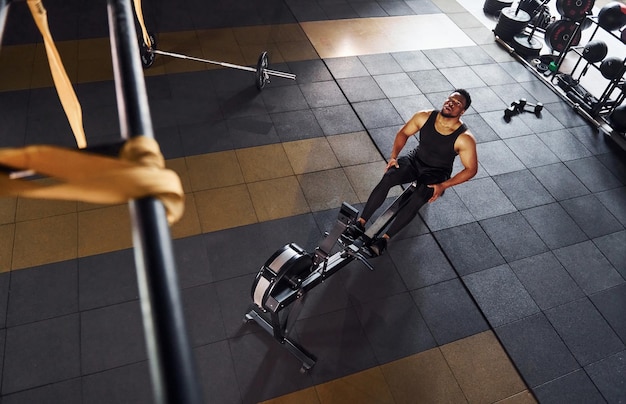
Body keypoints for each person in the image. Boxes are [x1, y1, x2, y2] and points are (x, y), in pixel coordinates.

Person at [349, 89, 478, 256]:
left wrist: (443, 185)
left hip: (436, 173)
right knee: (389, 177)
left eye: (457, 103)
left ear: (463, 111)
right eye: (450, 99)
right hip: (414, 161)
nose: (451, 103)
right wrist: (394, 157)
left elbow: (471, 170)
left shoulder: (465, 138)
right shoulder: (424, 116)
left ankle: (384, 239)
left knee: (417, 198)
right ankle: (360, 222)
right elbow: (403, 132)